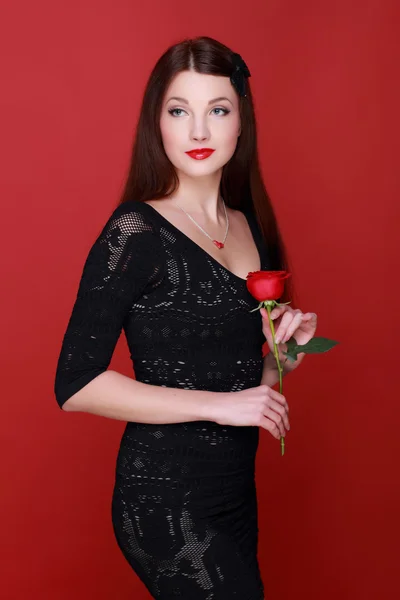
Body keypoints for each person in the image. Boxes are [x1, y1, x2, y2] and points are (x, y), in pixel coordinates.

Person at [54, 36, 299, 599]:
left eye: (217, 110)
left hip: (234, 495)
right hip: (165, 500)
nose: (197, 132)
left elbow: (250, 385)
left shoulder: (247, 225)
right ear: (156, 124)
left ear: (241, 122)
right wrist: (223, 407)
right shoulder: (135, 232)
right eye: (178, 111)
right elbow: (75, 383)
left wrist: (287, 352)